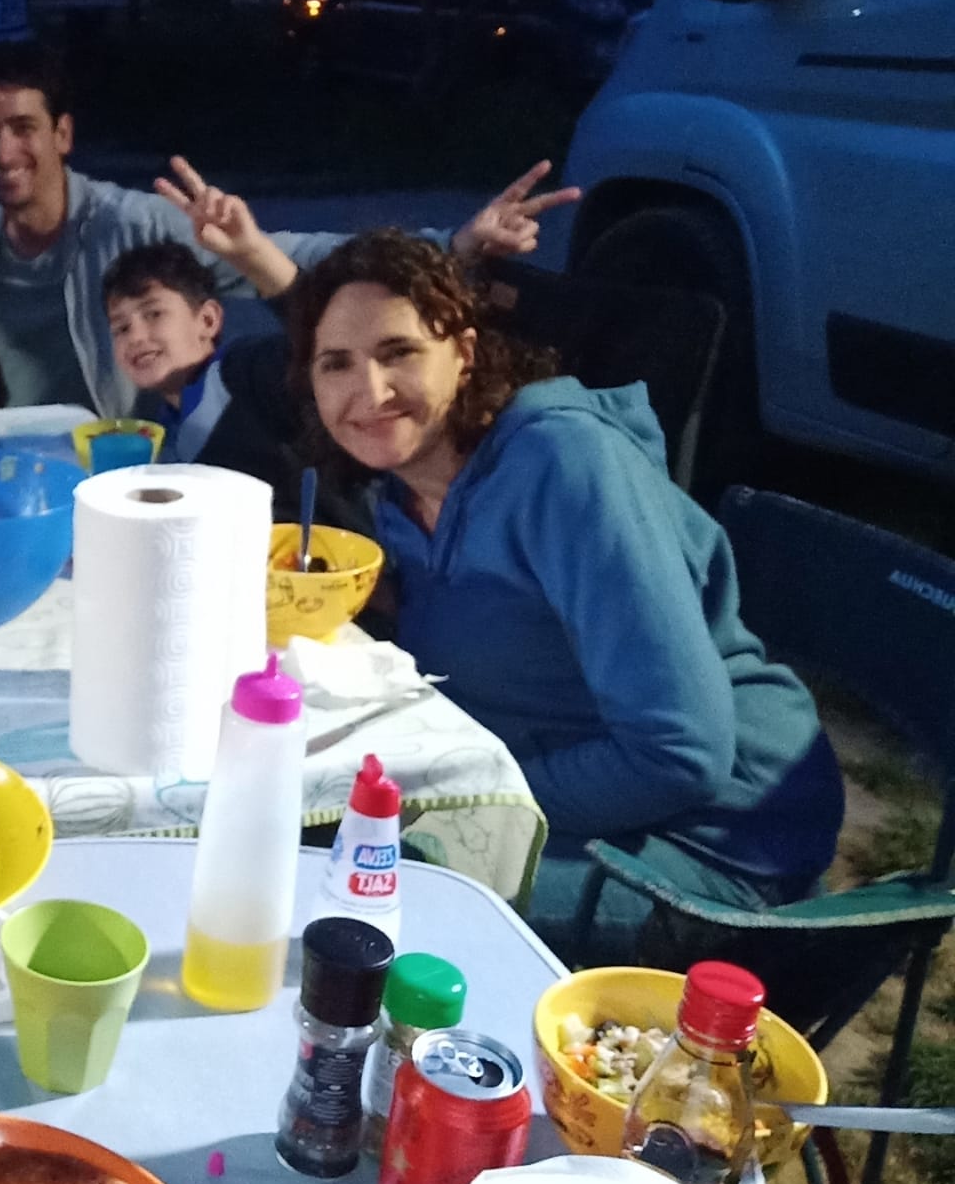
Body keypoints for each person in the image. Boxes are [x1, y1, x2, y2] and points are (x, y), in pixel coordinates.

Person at [282, 229, 845, 962]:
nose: (371, 391)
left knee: (351, 889)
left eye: (399, 352)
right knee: (287, 816)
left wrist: (468, 804)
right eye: (337, 363)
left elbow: (679, 752)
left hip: (712, 844)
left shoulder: (565, 465)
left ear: (465, 353)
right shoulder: (397, 495)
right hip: (568, 791)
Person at [0, 42, 581, 417]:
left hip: (117, 470)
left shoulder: (132, 225)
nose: (4, 152)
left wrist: (452, 246)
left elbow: (303, 257)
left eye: (23, 128)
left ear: (63, 134)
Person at [101, 238, 370, 533]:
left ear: (207, 320)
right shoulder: (159, 425)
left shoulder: (245, 370)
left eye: (154, 314)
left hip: (332, 554)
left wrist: (254, 255)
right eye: (121, 328)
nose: (135, 337)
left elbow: (321, 341)